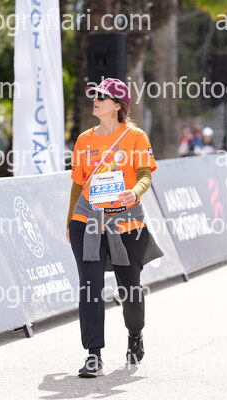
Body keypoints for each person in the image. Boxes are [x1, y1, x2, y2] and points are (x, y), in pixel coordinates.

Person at [66, 78, 163, 378]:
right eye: (94, 95)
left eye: (102, 96)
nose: (95, 100)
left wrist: (135, 192)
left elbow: (145, 174)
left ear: (118, 106)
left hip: (126, 222)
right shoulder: (84, 140)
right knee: (90, 287)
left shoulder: (135, 137)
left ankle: (135, 333)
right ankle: (93, 355)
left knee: (130, 288)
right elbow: (78, 184)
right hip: (87, 221)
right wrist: (70, 220)